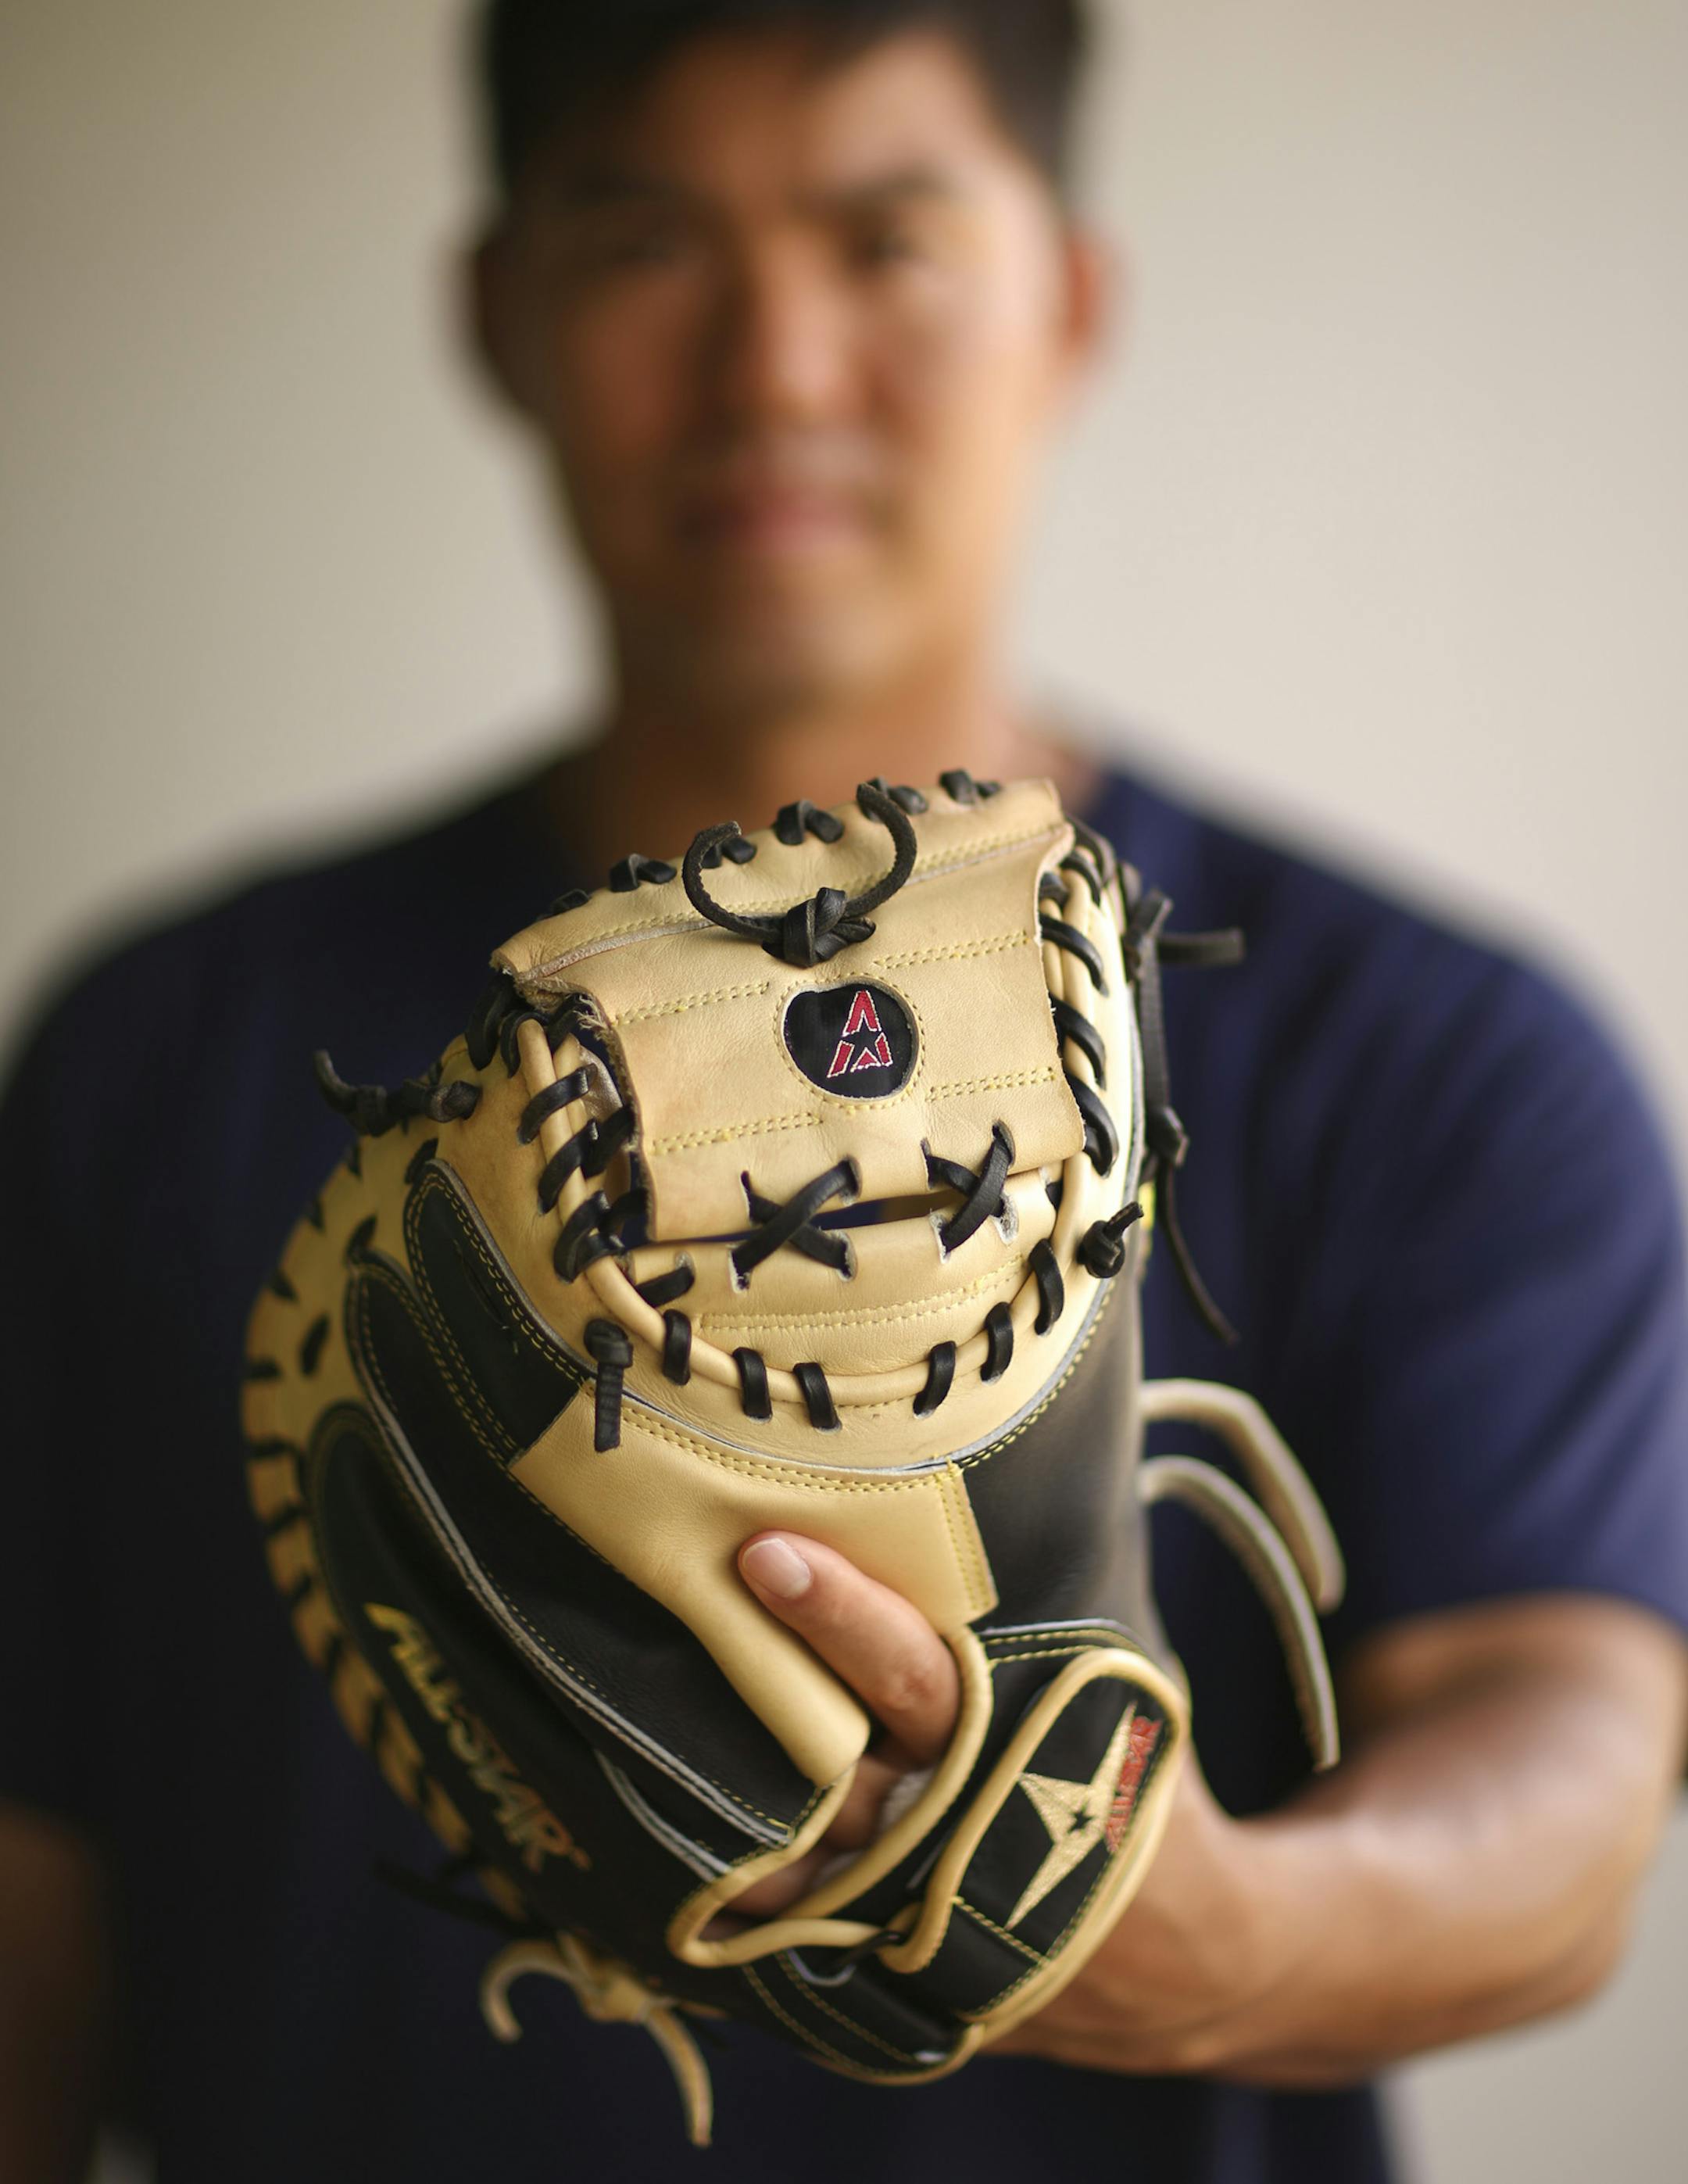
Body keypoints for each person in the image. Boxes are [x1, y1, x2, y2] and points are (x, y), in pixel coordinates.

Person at [2, 4, 1685, 2179]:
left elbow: (1569, 1776)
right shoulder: (166, 1056)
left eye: (886, 240)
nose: (777, 370)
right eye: (647, 243)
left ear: (1067, 302)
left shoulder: (1430, 1053)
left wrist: (1232, 1937)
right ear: (498, 315)